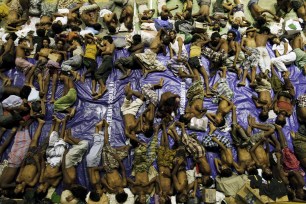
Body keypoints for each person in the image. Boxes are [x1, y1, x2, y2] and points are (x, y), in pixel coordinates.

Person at [36, 115, 68, 195]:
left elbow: (43, 168)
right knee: (60, 140)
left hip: (49, 159)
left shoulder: (41, 180)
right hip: (57, 161)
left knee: (52, 140)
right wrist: (53, 176)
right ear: (43, 190)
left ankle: (57, 123)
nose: (39, 187)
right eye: (39, 189)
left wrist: (42, 158)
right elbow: (62, 173)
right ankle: (64, 123)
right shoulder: (54, 184)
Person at [99, 120, 130, 202]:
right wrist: (118, 160)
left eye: (121, 192)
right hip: (114, 165)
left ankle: (116, 149)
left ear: (118, 193)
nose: (122, 190)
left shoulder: (110, 189)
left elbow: (102, 179)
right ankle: (106, 126)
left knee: (106, 147)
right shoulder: (123, 184)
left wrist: (108, 187)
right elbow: (123, 170)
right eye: (123, 191)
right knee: (125, 151)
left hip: (106, 167)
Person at [128, 125, 159, 203]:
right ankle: (155, 132)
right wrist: (148, 183)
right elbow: (156, 179)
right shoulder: (148, 190)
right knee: (153, 149)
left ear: (138, 200)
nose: (144, 198)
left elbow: (126, 179)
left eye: (143, 200)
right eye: (145, 200)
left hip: (137, 167)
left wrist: (134, 182)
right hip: (146, 167)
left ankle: (133, 132)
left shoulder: (134, 191)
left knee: (138, 151)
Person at [14, 118, 45, 194]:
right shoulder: (31, 183)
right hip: (36, 163)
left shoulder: (18, 179)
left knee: (34, 140)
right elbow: (38, 172)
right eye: (18, 189)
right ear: (22, 190)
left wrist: (25, 157)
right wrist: (37, 161)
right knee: (45, 145)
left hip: (28, 160)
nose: (17, 187)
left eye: (16, 187)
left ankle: (41, 124)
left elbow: (21, 167)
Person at [230, 106, 257, 175]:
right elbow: (252, 152)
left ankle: (234, 109)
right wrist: (251, 164)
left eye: (248, 169)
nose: (248, 167)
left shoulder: (241, 168)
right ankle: (249, 125)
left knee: (234, 125)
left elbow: (231, 161)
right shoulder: (253, 162)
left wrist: (239, 168)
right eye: (250, 167)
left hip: (238, 144)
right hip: (246, 143)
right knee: (240, 129)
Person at [248, 115, 275, 180]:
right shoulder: (268, 164)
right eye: (270, 171)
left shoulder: (258, 164)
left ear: (263, 172)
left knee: (271, 130)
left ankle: (252, 125)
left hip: (254, 142)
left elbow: (251, 151)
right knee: (272, 127)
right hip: (261, 143)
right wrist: (266, 141)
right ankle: (252, 125)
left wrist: (260, 141)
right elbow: (267, 151)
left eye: (268, 172)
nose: (269, 170)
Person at [156, 122, 176, 203]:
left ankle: (163, 129)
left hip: (160, 166)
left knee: (161, 147)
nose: (160, 200)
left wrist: (160, 189)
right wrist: (169, 175)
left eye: (159, 201)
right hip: (167, 167)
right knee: (167, 147)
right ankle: (165, 129)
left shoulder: (158, 192)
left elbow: (156, 179)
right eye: (162, 202)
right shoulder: (170, 192)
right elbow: (174, 180)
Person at [43, 39, 67, 103]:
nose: (60, 45)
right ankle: (44, 98)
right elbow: (48, 56)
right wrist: (53, 54)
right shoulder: (52, 51)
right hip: (49, 67)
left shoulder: (63, 53)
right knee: (46, 83)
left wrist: (62, 53)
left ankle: (52, 98)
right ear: (56, 44)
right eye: (58, 43)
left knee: (54, 83)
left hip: (55, 68)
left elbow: (65, 60)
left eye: (61, 44)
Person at [86, 119, 106, 196]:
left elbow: (93, 169)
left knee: (99, 144)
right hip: (94, 161)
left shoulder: (94, 182)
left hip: (92, 161)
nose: (102, 194)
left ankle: (99, 127)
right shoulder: (99, 184)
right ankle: (97, 128)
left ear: (97, 192)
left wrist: (102, 168)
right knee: (98, 144)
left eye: (99, 194)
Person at [94, 35, 115, 100]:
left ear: (106, 40)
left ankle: (103, 87)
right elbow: (101, 48)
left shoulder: (112, 44)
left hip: (108, 60)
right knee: (103, 79)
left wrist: (103, 53)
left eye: (104, 40)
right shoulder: (105, 46)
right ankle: (100, 94)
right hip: (107, 62)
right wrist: (98, 43)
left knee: (97, 74)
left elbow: (110, 51)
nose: (103, 42)